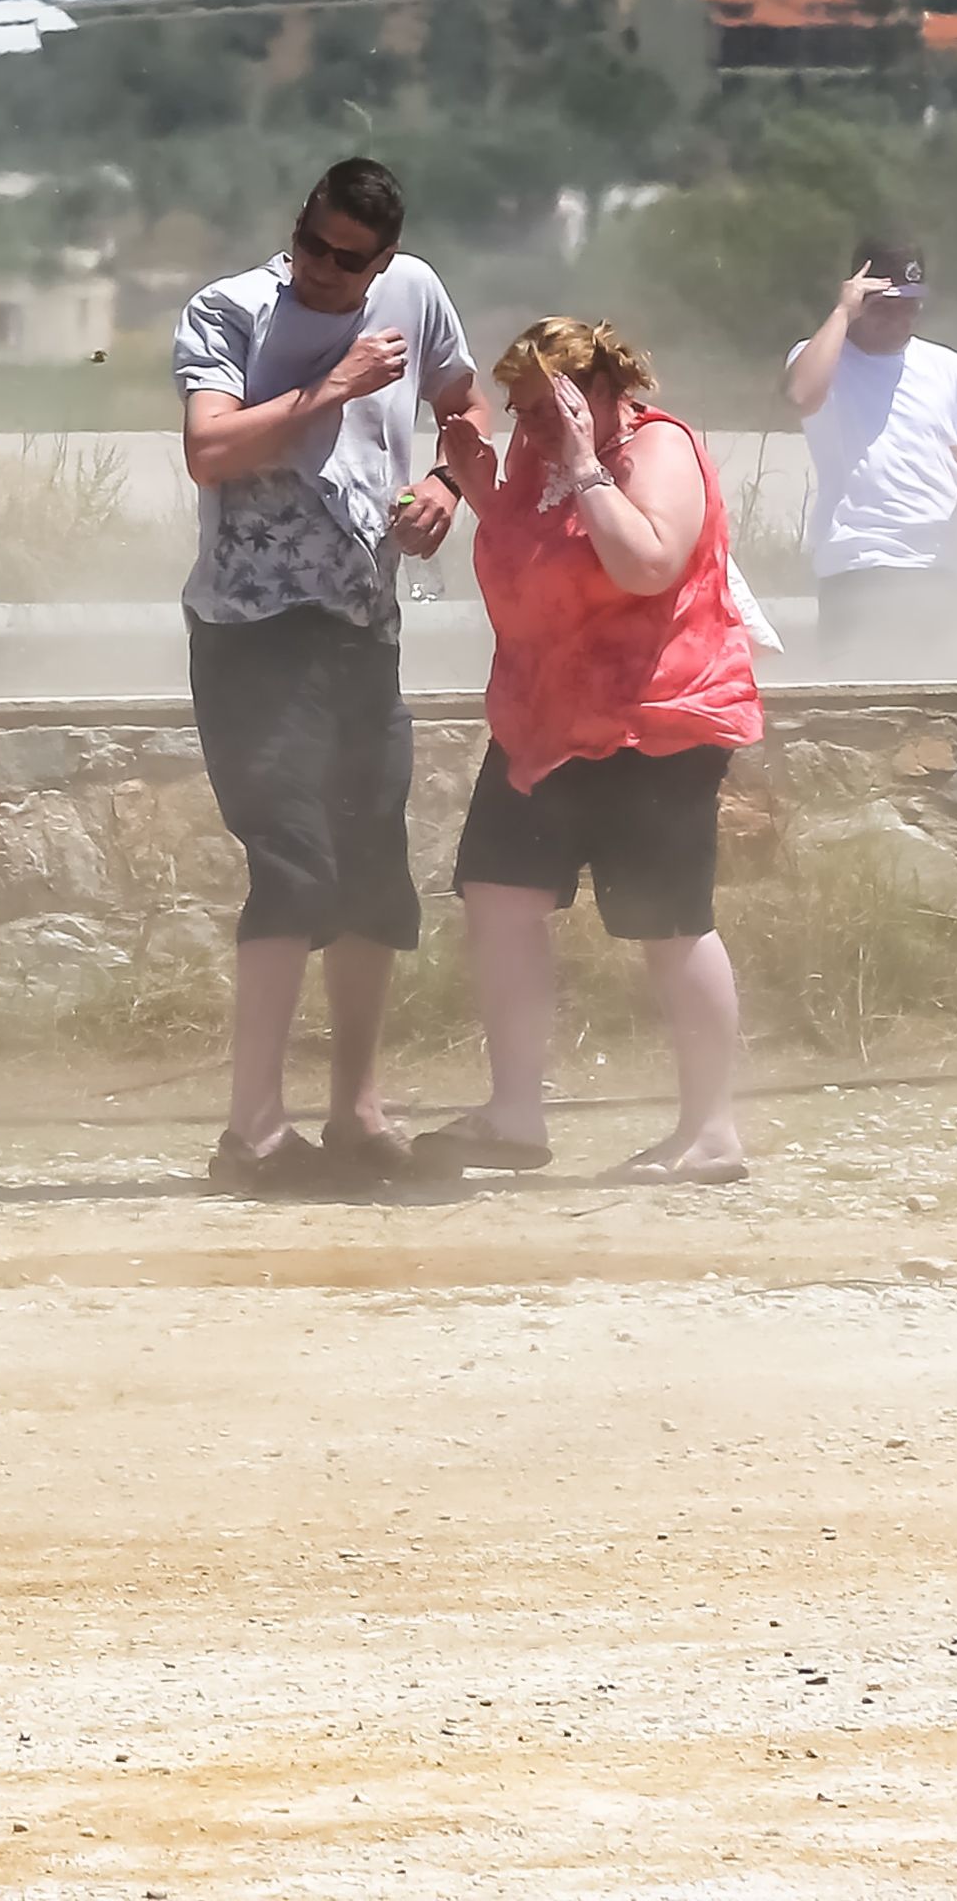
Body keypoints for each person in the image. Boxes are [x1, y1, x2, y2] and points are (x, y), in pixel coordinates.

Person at [172, 157, 471, 1198]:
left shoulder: (417, 296)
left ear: (384, 261)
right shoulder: (231, 311)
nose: (325, 271)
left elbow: (466, 413)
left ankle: (358, 1111)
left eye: (350, 263)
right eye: (314, 244)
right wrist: (331, 387)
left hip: (361, 625)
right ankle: (251, 1130)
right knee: (292, 867)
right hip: (252, 631)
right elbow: (208, 449)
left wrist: (445, 482)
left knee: (372, 875)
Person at [417, 316, 762, 1186]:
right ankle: (514, 1115)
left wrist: (580, 465)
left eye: (545, 408)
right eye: (520, 410)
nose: (528, 426)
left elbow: (645, 563)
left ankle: (710, 1130)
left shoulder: (659, 449)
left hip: (655, 719)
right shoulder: (541, 458)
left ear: (602, 391)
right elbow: (549, 568)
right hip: (544, 720)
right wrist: (483, 490)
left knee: (668, 921)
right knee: (499, 894)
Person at [783, 239, 957, 661]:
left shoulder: (948, 367)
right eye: (887, 304)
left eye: (911, 304)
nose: (901, 316)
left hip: (942, 569)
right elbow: (801, 395)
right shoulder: (822, 356)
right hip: (859, 565)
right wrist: (842, 312)